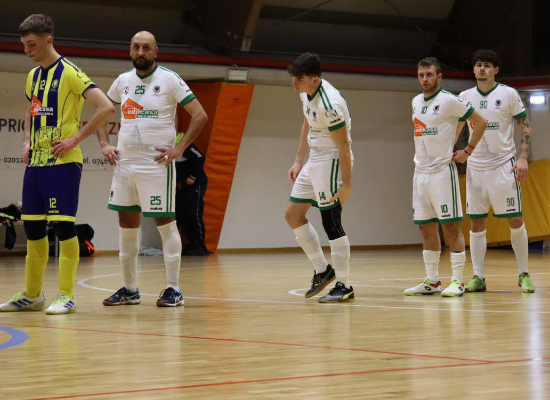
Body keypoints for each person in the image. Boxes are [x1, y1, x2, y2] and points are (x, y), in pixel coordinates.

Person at [0, 14, 115, 314]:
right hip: (35, 165)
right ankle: (32, 295)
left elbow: (106, 107)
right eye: (24, 45)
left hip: (63, 164)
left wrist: (75, 139)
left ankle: (66, 296)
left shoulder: (70, 72)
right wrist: (26, 140)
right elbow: (31, 110)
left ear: (48, 40)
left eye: (31, 44)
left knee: (63, 228)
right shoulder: (33, 76)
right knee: (33, 229)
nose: (26, 50)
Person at [97, 31, 207, 307]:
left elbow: (200, 115)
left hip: (156, 165)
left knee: (165, 223)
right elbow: (101, 113)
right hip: (125, 165)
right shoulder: (122, 81)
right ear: (130, 50)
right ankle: (130, 289)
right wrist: (104, 144)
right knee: (126, 225)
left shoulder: (169, 79)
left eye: (146, 47)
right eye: (136, 47)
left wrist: (179, 149)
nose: (140, 52)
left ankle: (174, 289)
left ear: (156, 52)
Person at [404, 57, 487, 297]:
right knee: (426, 228)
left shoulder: (450, 100)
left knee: (450, 226)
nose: (425, 79)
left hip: (442, 172)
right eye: (421, 75)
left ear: (439, 77)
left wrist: (467, 151)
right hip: (420, 174)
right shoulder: (415, 101)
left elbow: (480, 121)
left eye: (429, 74)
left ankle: (457, 281)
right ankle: (432, 281)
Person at [459, 50, 535, 293]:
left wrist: (523, 157)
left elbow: (526, 127)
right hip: (475, 167)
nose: (482, 69)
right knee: (476, 223)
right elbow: (455, 127)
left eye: (487, 65)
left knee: (515, 219)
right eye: (478, 65)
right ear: (474, 69)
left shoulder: (508, 94)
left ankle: (523, 273)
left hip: (503, 166)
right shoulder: (464, 97)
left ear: (496, 70)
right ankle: (478, 277)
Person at [284, 52, 354, 303]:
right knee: (293, 215)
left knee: (330, 221)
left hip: (332, 159)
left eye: (299, 79)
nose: (294, 83)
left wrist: (346, 185)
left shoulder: (330, 104)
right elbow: (307, 124)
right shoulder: (306, 93)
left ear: (315, 79)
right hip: (314, 158)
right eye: (293, 78)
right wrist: (298, 160)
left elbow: (343, 146)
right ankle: (323, 270)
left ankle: (345, 285)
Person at [174, 137, 209, 256]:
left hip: (195, 185)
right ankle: (191, 243)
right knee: (183, 215)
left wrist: (193, 177)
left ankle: (200, 245)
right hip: (182, 185)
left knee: (194, 213)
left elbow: (200, 157)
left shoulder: (182, 143)